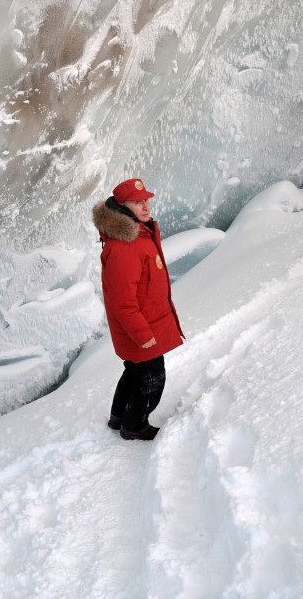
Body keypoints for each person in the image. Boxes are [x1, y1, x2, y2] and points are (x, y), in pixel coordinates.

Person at [92, 178, 185, 440]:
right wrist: (143, 336)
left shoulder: (139, 234)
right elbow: (123, 302)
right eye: (137, 202)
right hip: (141, 330)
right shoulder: (125, 247)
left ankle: (118, 418)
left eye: (146, 200)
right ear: (122, 207)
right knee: (151, 379)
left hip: (146, 324)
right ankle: (134, 427)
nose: (145, 207)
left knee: (134, 372)